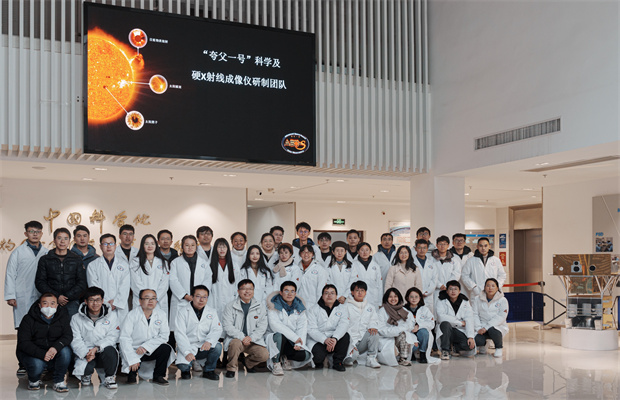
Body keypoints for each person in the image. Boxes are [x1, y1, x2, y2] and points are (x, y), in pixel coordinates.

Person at [5, 221, 49, 375]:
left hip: (41, 296)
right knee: (24, 331)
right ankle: (22, 364)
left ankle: (42, 363)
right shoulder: (17, 252)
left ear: (41, 233)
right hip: (22, 296)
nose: (35, 234)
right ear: (26, 233)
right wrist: (10, 295)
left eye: (38, 231)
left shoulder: (46, 252)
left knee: (41, 330)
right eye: (31, 231)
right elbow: (10, 274)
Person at [17, 293, 72, 392]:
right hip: (34, 354)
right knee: (37, 365)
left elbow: (67, 336)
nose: (49, 307)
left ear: (57, 305)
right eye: (45, 303)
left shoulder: (62, 317)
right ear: (39, 305)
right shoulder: (28, 319)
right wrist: (42, 354)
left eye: (52, 303)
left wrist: (55, 348)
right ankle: (33, 380)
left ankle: (58, 381)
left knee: (66, 352)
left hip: (53, 352)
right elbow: (24, 342)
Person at [119, 289, 173, 385]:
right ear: (140, 301)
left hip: (151, 348)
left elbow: (164, 336)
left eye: (153, 298)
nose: (151, 301)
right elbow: (124, 338)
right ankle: (132, 374)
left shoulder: (161, 314)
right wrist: (132, 359)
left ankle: (158, 376)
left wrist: (146, 347)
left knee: (166, 348)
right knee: (131, 371)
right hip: (134, 349)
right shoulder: (131, 315)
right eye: (147, 298)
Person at [70, 286, 120, 389]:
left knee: (110, 350)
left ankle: (109, 377)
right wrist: (86, 353)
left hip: (103, 350)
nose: (95, 303)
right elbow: (75, 340)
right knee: (85, 370)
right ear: (85, 301)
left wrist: (96, 348)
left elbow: (112, 337)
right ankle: (86, 375)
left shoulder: (112, 316)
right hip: (86, 352)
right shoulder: (76, 318)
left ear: (102, 301)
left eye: (98, 300)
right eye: (91, 300)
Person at [222, 279, 269, 378]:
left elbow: (262, 326)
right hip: (237, 339)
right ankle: (231, 368)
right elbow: (227, 326)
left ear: (253, 291)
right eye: (243, 289)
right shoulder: (230, 306)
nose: (247, 291)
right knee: (235, 344)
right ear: (238, 291)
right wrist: (242, 337)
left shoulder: (260, 306)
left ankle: (248, 363)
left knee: (264, 354)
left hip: (253, 341)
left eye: (250, 289)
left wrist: (251, 338)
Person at [174, 285, 223, 380]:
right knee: (183, 366)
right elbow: (179, 333)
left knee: (217, 347)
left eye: (205, 297)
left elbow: (217, 329)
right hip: (188, 345)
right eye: (198, 296)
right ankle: (186, 370)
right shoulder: (182, 312)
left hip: (203, 346)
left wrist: (209, 341)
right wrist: (187, 352)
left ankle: (209, 370)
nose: (202, 300)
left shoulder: (212, 312)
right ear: (192, 297)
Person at [35, 228, 87, 317]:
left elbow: (82, 282)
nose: (62, 241)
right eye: (59, 238)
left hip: (72, 302)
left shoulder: (77, 259)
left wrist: (67, 297)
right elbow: (40, 282)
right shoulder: (45, 259)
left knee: (72, 325)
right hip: (51, 302)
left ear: (69, 241)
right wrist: (57, 296)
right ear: (54, 240)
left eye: (66, 238)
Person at [265, 281, 313, 375]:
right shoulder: (273, 306)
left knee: (306, 355)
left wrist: (299, 343)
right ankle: (276, 363)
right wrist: (295, 338)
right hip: (277, 339)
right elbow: (275, 325)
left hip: (292, 341)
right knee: (279, 336)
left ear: (295, 293)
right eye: (286, 291)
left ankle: (285, 358)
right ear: (281, 292)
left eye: (292, 291)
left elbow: (302, 326)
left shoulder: (299, 307)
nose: (289, 294)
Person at [169, 235, 212, 334]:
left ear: (196, 246)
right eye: (187, 245)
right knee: (180, 330)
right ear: (182, 247)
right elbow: (173, 280)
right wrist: (185, 295)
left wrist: (199, 296)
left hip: (199, 300)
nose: (190, 247)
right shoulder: (175, 262)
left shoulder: (204, 263)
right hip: (181, 300)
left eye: (192, 245)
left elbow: (207, 279)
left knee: (196, 330)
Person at [86, 234, 131, 323]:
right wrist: (105, 302)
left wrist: (116, 302)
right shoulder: (93, 265)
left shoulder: (124, 265)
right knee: (102, 328)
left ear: (116, 245)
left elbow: (125, 286)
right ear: (100, 246)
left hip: (120, 307)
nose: (109, 246)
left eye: (111, 243)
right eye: (105, 244)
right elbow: (94, 287)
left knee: (122, 328)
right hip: (101, 305)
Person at [307, 284, 350, 371]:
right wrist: (324, 339)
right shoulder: (313, 309)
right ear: (322, 296)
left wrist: (335, 338)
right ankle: (320, 361)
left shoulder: (342, 309)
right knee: (318, 358)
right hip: (318, 339)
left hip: (334, 338)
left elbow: (343, 325)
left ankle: (338, 362)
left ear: (336, 296)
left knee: (345, 336)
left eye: (332, 293)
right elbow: (311, 329)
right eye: (326, 293)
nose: (329, 295)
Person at [343, 281, 381, 368]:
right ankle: (349, 356)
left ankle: (371, 358)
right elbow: (343, 325)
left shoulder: (370, 307)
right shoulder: (346, 307)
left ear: (365, 292)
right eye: (357, 290)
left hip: (362, 340)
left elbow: (373, 319)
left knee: (374, 334)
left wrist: (372, 326)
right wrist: (351, 344)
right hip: (350, 341)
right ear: (352, 292)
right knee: (351, 359)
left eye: (362, 290)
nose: (360, 293)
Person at [435, 280, 475, 360]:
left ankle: (454, 347)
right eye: (450, 289)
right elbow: (441, 317)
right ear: (447, 291)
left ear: (459, 291)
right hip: (446, 330)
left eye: (455, 289)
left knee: (468, 346)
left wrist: (470, 336)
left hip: (458, 330)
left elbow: (469, 318)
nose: (453, 291)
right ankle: (445, 350)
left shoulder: (465, 301)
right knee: (445, 324)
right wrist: (459, 323)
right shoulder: (441, 300)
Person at [376, 288, 417, 366]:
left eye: (395, 296)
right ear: (386, 298)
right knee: (402, 334)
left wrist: (398, 330)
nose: (393, 299)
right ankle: (395, 354)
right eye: (390, 297)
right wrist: (396, 330)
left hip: (401, 338)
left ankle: (403, 359)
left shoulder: (405, 311)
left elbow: (410, 325)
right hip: (386, 338)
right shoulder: (382, 311)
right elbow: (380, 329)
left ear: (399, 297)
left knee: (405, 335)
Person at [130, 234, 170, 313]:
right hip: (141, 301)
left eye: (152, 243)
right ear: (143, 245)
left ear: (156, 245)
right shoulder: (135, 262)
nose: (150, 246)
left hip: (159, 300)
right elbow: (135, 283)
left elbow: (164, 284)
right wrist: (145, 298)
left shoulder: (163, 262)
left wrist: (155, 298)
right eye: (147, 244)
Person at [472, 278, 509, 358]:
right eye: (488, 286)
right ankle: (483, 345)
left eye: (493, 286)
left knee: (493, 330)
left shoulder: (503, 300)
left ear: (497, 288)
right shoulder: (477, 299)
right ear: (484, 287)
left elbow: (501, 316)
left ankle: (498, 348)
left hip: (497, 326)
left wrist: (486, 327)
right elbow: (474, 314)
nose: (490, 288)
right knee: (478, 340)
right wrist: (478, 328)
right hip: (481, 326)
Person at [404, 287, 435, 364]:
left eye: (416, 297)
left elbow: (431, 323)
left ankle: (422, 353)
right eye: (411, 297)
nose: (414, 299)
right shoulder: (403, 309)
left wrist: (418, 326)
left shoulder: (424, 309)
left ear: (420, 298)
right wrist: (411, 328)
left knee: (424, 332)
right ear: (407, 298)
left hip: (420, 332)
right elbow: (401, 324)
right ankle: (411, 353)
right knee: (413, 347)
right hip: (409, 332)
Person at [432, 236, 461, 315]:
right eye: (440, 244)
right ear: (436, 245)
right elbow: (431, 275)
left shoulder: (454, 259)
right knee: (436, 311)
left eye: (444, 244)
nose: (442, 246)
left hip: (450, 289)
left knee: (449, 311)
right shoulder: (431, 259)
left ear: (448, 245)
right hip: (436, 289)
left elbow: (456, 273)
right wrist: (439, 285)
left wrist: (447, 285)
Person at [209, 238, 238, 318]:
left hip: (231, 300)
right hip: (215, 300)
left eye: (224, 247)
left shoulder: (234, 265)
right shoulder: (209, 265)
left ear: (228, 248)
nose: (222, 249)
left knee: (230, 320)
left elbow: (238, 285)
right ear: (215, 249)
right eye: (219, 247)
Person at [351, 242, 384, 308]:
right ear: (358, 252)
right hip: (358, 296)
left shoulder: (375, 265)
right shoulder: (353, 265)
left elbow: (380, 285)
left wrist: (380, 302)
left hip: (373, 297)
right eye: (362, 250)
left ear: (370, 251)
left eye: (367, 250)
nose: (365, 252)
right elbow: (351, 282)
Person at [412, 239, 438, 314]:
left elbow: (434, 280)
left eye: (424, 248)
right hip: (415, 294)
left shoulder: (432, 263)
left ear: (427, 249)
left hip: (428, 295)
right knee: (415, 315)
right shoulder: (411, 263)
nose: (422, 250)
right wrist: (418, 292)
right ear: (415, 249)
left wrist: (428, 291)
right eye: (419, 248)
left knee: (428, 315)